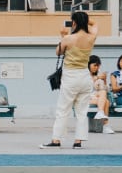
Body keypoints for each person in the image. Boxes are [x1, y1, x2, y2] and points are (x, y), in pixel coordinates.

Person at [42, 11, 98, 150]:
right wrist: (84, 20)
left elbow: (58, 52)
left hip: (71, 77)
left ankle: (56, 140)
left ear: (74, 22)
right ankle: (78, 141)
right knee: (82, 111)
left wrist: (62, 35)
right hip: (85, 77)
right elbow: (95, 23)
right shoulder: (92, 37)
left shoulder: (68, 38)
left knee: (63, 109)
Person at [88, 55, 111, 126]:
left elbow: (107, 90)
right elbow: (84, 86)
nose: (96, 68)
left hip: (96, 97)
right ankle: (106, 126)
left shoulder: (99, 74)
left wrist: (104, 81)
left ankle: (100, 112)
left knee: (103, 94)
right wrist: (97, 78)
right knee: (106, 102)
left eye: (98, 66)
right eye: (94, 65)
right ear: (89, 64)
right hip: (85, 98)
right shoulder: (84, 74)